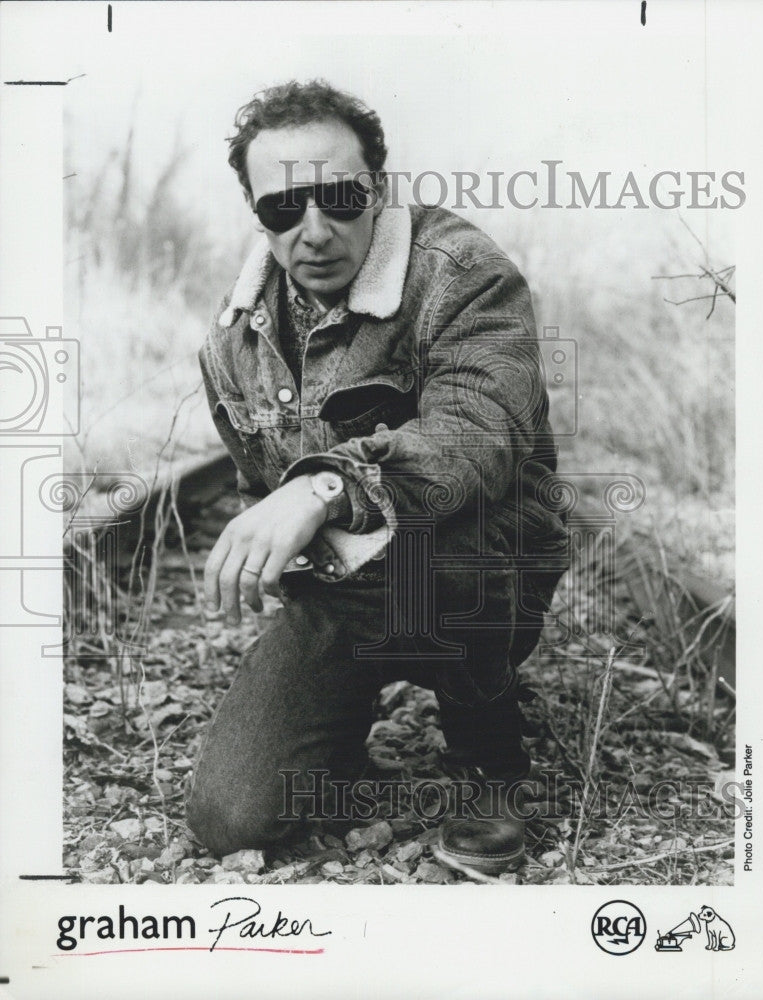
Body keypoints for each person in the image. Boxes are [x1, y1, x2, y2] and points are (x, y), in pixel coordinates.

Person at [186, 80, 569, 874]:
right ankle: (343, 699)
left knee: (452, 541)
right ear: (257, 213)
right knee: (233, 817)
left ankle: (489, 754)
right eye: (283, 210)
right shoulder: (232, 343)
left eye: (340, 198)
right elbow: (261, 492)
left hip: (476, 567)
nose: (315, 231)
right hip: (346, 589)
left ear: (379, 188)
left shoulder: (463, 273)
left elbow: (478, 437)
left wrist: (326, 485)